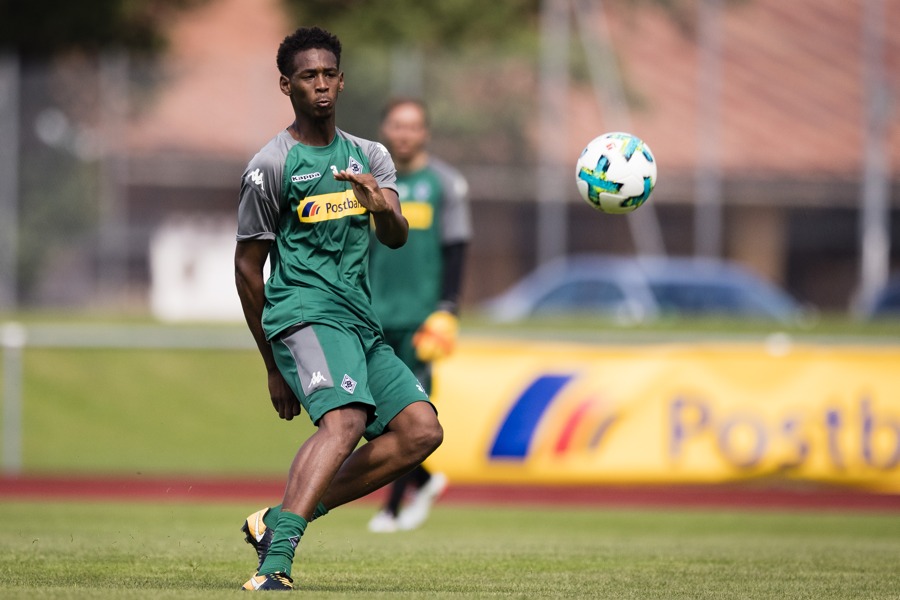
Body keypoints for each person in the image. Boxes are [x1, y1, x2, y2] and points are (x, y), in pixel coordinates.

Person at [233, 26, 443, 592]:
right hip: (302, 312)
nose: (321, 86)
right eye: (308, 76)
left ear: (342, 80)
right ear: (287, 85)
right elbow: (248, 269)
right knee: (346, 420)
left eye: (329, 74)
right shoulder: (271, 166)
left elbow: (396, 236)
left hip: (358, 319)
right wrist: (271, 363)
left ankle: (277, 521)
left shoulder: (370, 156)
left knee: (421, 432)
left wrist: (381, 207)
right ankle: (274, 566)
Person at [366, 98, 471, 533]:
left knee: (409, 413)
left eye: (413, 127)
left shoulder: (444, 183)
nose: (405, 134)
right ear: (385, 130)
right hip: (371, 317)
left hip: (421, 322)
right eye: (397, 125)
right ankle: (426, 480)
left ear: (425, 132)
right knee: (371, 413)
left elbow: (457, 249)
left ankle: (391, 509)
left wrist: (446, 310)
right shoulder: (368, 182)